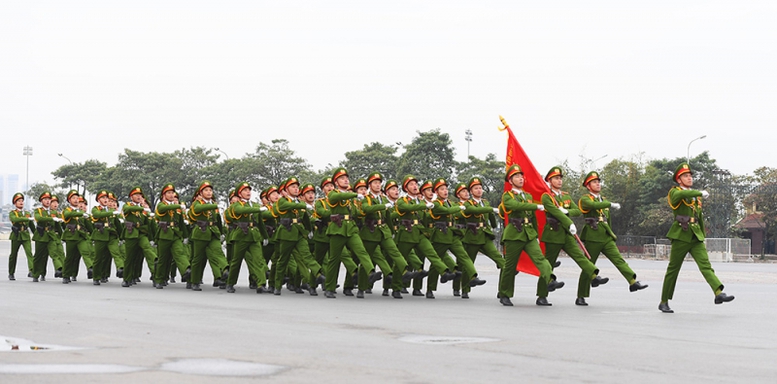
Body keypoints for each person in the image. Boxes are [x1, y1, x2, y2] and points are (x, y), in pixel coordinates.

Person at [659, 163, 734, 313]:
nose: (689, 178)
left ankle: (718, 293)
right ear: (679, 180)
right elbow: (679, 196)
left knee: (705, 266)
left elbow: (698, 217)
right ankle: (664, 301)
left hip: (695, 235)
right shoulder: (675, 192)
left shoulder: (694, 197)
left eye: (690, 176)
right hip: (681, 234)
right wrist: (698, 192)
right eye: (686, 176)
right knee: (673, 270)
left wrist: (702, 235)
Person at [537, 166, 607, 306]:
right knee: (548, 265)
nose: (559, 181)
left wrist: (567, 212)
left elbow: (577, 210)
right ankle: (542, 295)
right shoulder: (546, 196)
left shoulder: (566, 196)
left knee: (580, 256)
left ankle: (594, 276)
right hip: (553, 233)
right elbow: (554, 212)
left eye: (560, 178)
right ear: (549, 181)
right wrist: (568, 221)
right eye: (556, 178)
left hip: (567, 234)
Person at [577, 171, 648, 305]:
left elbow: (607, 220)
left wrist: (611, 234)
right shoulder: (586, 199)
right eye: (594, 182)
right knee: (589, 266)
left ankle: (632, 282)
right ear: (588, 186)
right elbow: (593, 207)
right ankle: (581, 295)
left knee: (619, 260)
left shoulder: (603, 199)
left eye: (598, 182)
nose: (597, 184)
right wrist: (609, 204)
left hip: (605, 236)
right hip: (593, 236)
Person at [498, 165, 564, 306]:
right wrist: (536, 206)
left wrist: (536, 235)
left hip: (529, 234)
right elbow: (515, 207)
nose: (520, 179)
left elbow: (532, 217)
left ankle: (550, 279)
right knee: (510, 266)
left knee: (540, 258)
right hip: (514, 234)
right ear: (510, 180)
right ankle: (504, 294)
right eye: (517, 176)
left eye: (521, 176)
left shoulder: (528, 196)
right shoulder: (507, 196)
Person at [323, 168, 382, 298]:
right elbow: (338, 197)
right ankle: (329, 287)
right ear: (336, 182)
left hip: (351, 228)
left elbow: (355, 212)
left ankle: (370, 272)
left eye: (347, 178)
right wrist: (355, 195)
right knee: (334, 259)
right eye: (342, 178)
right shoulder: (333, 194)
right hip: (338, 229)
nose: (346, 180)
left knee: (361, 251)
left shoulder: (350, 198)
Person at [426, 178, 483, 299]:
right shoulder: (436, 204)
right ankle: (430, 288)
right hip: (440, 235)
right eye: (442, 189)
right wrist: (460, 208)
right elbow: (446, 211)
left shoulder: (450, 202)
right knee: (436, 263)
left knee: (463, 256)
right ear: (436, 191)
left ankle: (473, 277)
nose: (445, 191)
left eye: (446, 188)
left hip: (452, 235)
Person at [458, 178, 506, 299]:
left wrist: (495, 226)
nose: (479, 190)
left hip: (485, 235)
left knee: (498, 257)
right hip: (472, 236)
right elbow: (475, 211)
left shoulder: (485, 202)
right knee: (469, 263)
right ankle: (465, 288)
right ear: (471, 191)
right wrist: (491, 209)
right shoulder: (467, 204)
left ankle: (503, 283)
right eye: (476, 188)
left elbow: (491, 217)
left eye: (480, 188)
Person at [226, 181, 270, 293]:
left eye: (249, 190)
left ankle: (261, 284)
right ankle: (230, 283)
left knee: (259, 260)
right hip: (241, 235)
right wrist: (258, 209)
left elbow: (260, 223)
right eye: (245, 190)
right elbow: (241, 211)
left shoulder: (255, 205)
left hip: (254, 236)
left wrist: (265, 236)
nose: (248, 192)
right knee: (236, 261)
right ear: (239, 194)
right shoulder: (237, 205)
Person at [122, 187, 163, 287]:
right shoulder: (128, 206)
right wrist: (142, 208)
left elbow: (147, 224)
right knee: (129, 257)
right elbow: (127, 209)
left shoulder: (144, 211)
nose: (139, 196)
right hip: (131, 234)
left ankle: (156, 278)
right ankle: (127, 278)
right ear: (131, 197)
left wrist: (151, 238)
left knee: (148, 251)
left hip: (141, 234)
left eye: (140, 195)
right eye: (136, 195)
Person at [154, 184, 189, 289]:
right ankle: (159, 279)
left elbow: (181, 223)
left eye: (172, 193)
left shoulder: (176, 208)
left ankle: (186, 270)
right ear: (164, 195)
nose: (171, 195)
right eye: (168, 193)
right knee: (163, 259)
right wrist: (178, 205)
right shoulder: (161, 205)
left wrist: (185, 236)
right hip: (164, 234)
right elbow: (164, 209)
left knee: (180, 253)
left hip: (175, 234)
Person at [90, 190, 122, 285]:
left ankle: (121, 268)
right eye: (103, 198)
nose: (105, 200)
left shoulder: (111, 210)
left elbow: (118, 225)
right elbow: (97, 215)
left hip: (111, 236)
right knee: (98, 258)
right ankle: (96, 277)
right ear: (98, 200)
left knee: (116, 253)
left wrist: (122, 237)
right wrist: (111, 212)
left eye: (107, 198)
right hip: (100, 235)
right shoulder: (96, 209)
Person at [61, 190, 91, 284]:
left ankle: (91, 269)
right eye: (73, 198)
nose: (76, 200)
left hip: (81, 236)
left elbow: (87, 225)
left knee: (86, 252)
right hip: (71, 235)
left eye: (77, 198)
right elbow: (67, 215)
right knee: (70, 257)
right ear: (69, 200)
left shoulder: (81, 211)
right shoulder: (67, 210)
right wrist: (80, 213)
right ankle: (66, 275)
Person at [32, 191, 59, 281]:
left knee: (54, 253)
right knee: (39, 256)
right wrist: (51, 218)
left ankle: (59, 269)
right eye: (45, 199)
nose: (47, 201)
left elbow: (57, 224)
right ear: (41, 201)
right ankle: (36, 274)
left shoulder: (53, 212)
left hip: (50, 235)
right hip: (41, 235)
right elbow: (39, 219)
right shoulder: (38, 211)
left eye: (49, 199)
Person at [8, 193, 33, 281]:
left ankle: (31, 270)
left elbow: (31, 226)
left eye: (22, 201)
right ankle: (11, 273)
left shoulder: (27, 213)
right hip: (16, 235)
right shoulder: (12, 213)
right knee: (13, 255)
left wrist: (37, 235)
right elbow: (15, 220)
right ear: (15, 203)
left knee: (29, 253)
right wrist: (27, 219)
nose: (21, 202)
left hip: (25, 235)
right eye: (19, 201)